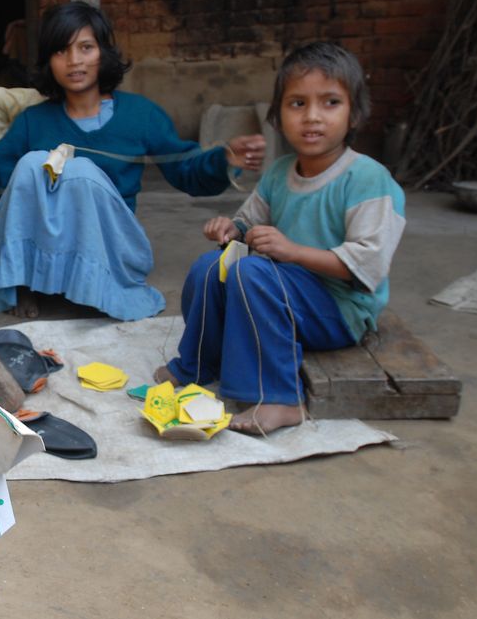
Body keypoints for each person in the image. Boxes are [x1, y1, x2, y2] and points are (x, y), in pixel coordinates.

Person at [0, 1, 266, 320]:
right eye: (61, 50)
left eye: (86, 47)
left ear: (104, 53)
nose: (74, 61)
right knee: (31, 164)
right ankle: (30, 281)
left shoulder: (140, 114)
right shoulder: (34, 120)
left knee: (77, 168)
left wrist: (222, 158)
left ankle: (91, 285)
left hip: (110, 245)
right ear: (49, 61)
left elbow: (185, 167)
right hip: (47, 240)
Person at [154, 42, 406, 434]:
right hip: (282, 294)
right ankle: (197, 365)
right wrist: (230, 228)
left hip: (338, 311)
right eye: (297, 104)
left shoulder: (368, 180)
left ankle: (282, 398)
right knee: (210, 267)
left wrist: (293, 252)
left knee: (252, 273)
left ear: (354, 113)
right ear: (277, 115)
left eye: (330, 103)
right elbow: (248, 221)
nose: (313, 117)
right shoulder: (280, 172)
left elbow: (366, 266)